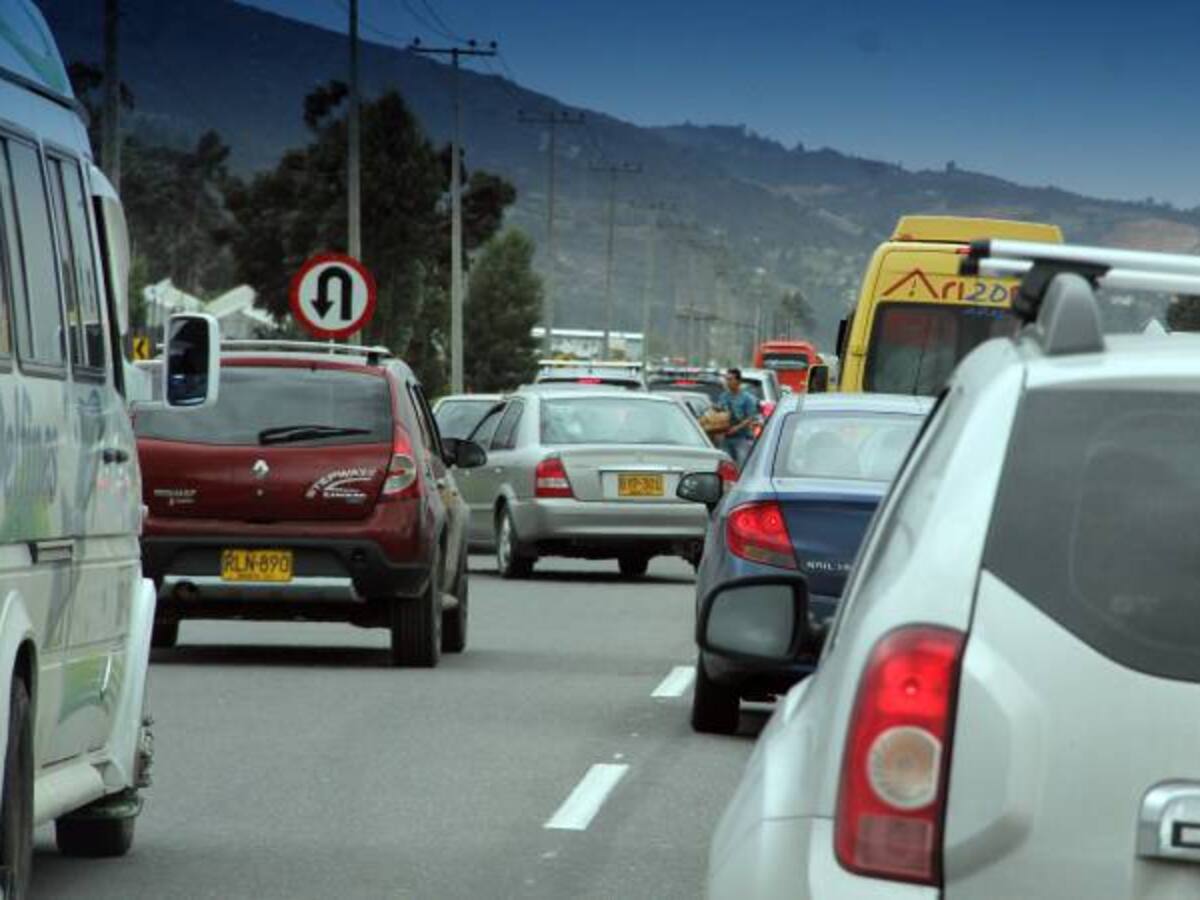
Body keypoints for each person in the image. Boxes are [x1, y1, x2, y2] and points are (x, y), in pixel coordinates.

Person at [716, 367, 759, 468]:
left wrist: (736, 428)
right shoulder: (723, 396)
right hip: (725, 438)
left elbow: (751, 417)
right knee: (725, 467)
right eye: (727, 379)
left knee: (741, 466)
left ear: (738, 381)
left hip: (742, 438)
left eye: (730, 379)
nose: (727, 382)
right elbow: (719, 412)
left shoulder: (747, 398)